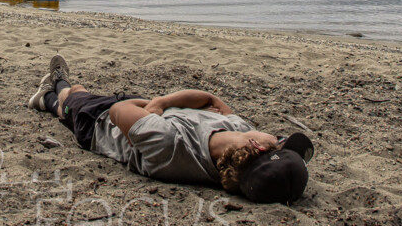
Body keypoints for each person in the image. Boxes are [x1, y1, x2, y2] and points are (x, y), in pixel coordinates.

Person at [28, 55, 315, 204]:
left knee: (73, 97)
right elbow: (209, 99)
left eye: (280, 143)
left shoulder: (171, 146)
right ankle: (49, 97)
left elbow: (118, 111)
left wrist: (155, 106)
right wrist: (162, 104)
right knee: (90, 96)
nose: (278, 137)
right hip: (144, 115)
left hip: (100, 124)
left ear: (260, 147)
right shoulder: (238, 131)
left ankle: (52, 94)